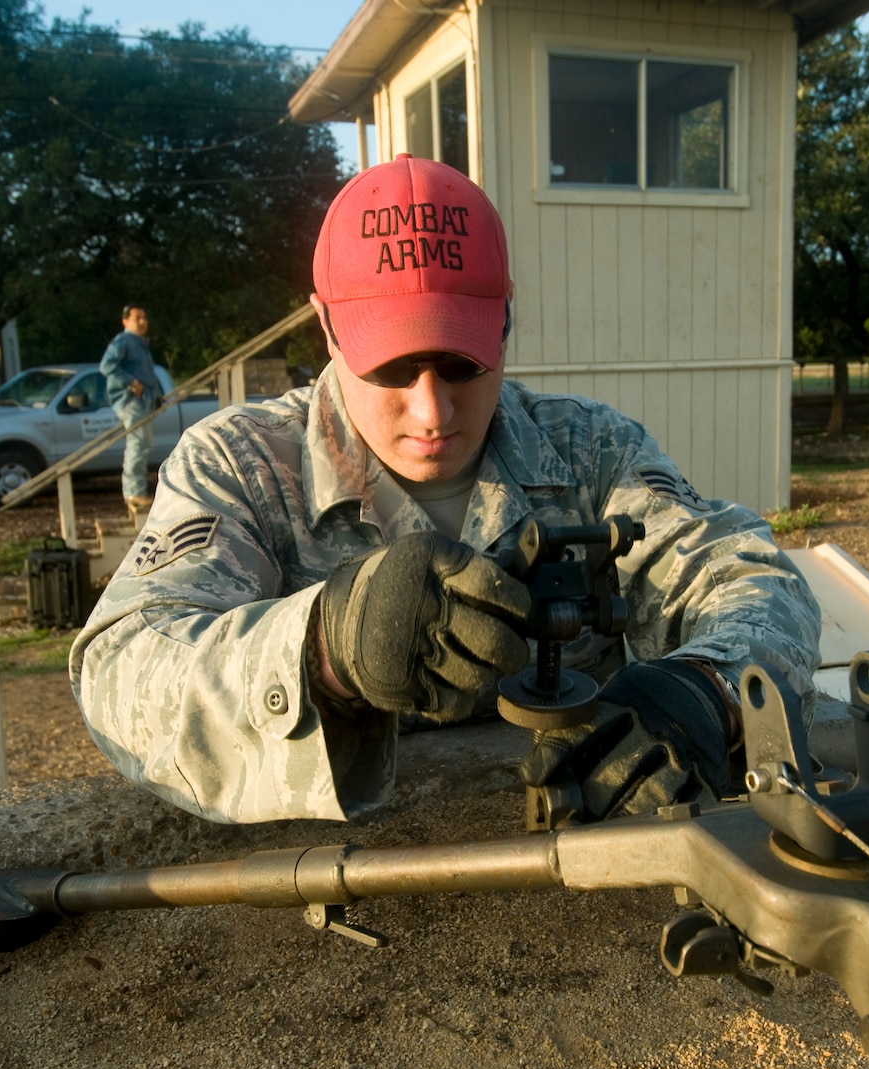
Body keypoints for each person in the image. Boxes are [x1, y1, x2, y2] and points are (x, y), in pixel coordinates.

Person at [71, 154, 822, 825]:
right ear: (327, 328)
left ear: (507, 317)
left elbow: (751, 582)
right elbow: (120, 673)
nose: (433, 412)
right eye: (393, 368)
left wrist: (701, 693)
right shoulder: (242, 464)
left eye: (463, 364)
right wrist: (326, 650)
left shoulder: (591, 450)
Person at [99, 305, 161, 513]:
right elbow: (106, 366)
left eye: (144, 318)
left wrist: (156, 396)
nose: (142, 322)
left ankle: (136, 491)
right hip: (130, 401)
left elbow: (148, 375)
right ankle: (134, 492)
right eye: (137, 318)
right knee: (138, 444)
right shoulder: (123, 341)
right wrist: (131, 382)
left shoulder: (140, 343)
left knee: (144, 444)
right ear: (125, 321)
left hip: (144, 401)